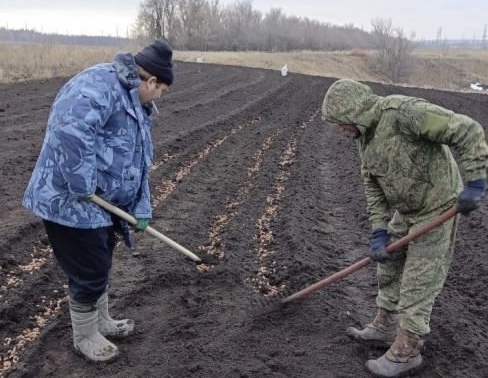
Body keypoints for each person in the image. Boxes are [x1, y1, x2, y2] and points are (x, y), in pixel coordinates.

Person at [321, 79, 488, 377]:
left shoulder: (405, 114)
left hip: (438, 205)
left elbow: (468, 129)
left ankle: (407, 350)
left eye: (341, 122)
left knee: (418, 280)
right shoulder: (365, 137)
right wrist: (379, 231)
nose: (341, 129)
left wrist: (475, 179)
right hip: (407, 210)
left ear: (355, 111)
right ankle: (385, 325)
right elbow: (372, 186)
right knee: (388, 265)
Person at [22, 39, 174, 362]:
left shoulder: (139, 105)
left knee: (102, 259)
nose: (161, 97)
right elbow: (69, 129)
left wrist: (142, 206)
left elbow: (139, 160)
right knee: (90, 270)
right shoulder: (98, 86)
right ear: (150, 81)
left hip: (99, 205)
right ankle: (85, 334)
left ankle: (100, 319)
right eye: (161, 90)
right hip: (69, 200)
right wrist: (83, 183)